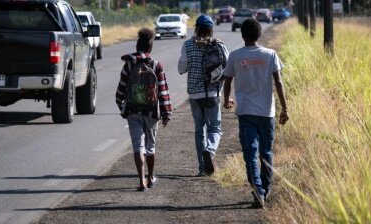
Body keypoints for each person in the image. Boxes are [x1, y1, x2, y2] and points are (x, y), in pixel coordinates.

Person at [223, 17, 288, 209]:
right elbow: (279, 82)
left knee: (250, 154)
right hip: (267, 112)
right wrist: (285, 108)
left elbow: (227, 81)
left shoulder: (235, 56)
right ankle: (265, 189)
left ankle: (258, 191)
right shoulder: (270, 55)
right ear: (259, 34)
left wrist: (226, 100)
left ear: (242, 35)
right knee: (266, 152)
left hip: (245, 112)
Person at [116, 27, 172, 191]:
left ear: (137, 47)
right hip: (151, 111)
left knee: (137, 146)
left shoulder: (128, 64)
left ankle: (141, 182)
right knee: (150, 147)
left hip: (133, 111)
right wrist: (166, 113)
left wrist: (123, 108)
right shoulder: (156, 65)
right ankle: (151, 177)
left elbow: (121, 90)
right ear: (150, 48)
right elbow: (163, 90)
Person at [178, 14, 229, 175]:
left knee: (199, 130)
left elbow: (181, 69)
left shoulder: (188, 45)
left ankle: (202, 168)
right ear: (211, 29)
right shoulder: (219, 45)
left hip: (194, 95)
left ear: (196, 28)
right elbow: (228, 68)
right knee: (215, 128)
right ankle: (210, 150)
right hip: (213, 93)